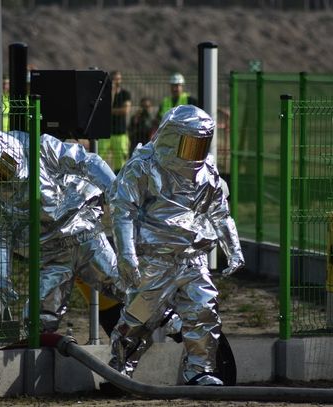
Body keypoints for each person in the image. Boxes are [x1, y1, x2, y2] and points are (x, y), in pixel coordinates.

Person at [107, 105, 245, 386]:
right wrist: (127, 256)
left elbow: (220, 212)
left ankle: (200, 371)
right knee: (138, 320)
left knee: (203, 312)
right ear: (172, 138)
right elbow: (123, 211)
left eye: (201, 144)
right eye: (190, 143)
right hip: (155, 260)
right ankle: (119, 369)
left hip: (193, 259)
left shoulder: (206, 172)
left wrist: (234, 250)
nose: (196, 151)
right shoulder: (144, 165)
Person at [0, 125, 125, 333]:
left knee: (124, 287)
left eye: (2, 165)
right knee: (37, 320)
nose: (0, 174)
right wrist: (3, 278)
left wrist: (117, 194)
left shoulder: (40, 148)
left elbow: (88, 162)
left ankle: (173, 324)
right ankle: (44, 357)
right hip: (51, 255)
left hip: (83, 235)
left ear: (9, 151)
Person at [98, 70, 132, 173]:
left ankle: (118, 180)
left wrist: (110, 111)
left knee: (120, 162)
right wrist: (111, 92)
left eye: (118, 79)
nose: (116, 81)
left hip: (120, 133)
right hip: (106, 133)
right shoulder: (105, 94)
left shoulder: (125, 94)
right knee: (98, 157)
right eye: (113, 79)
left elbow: (125, 110)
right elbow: (103, 109)